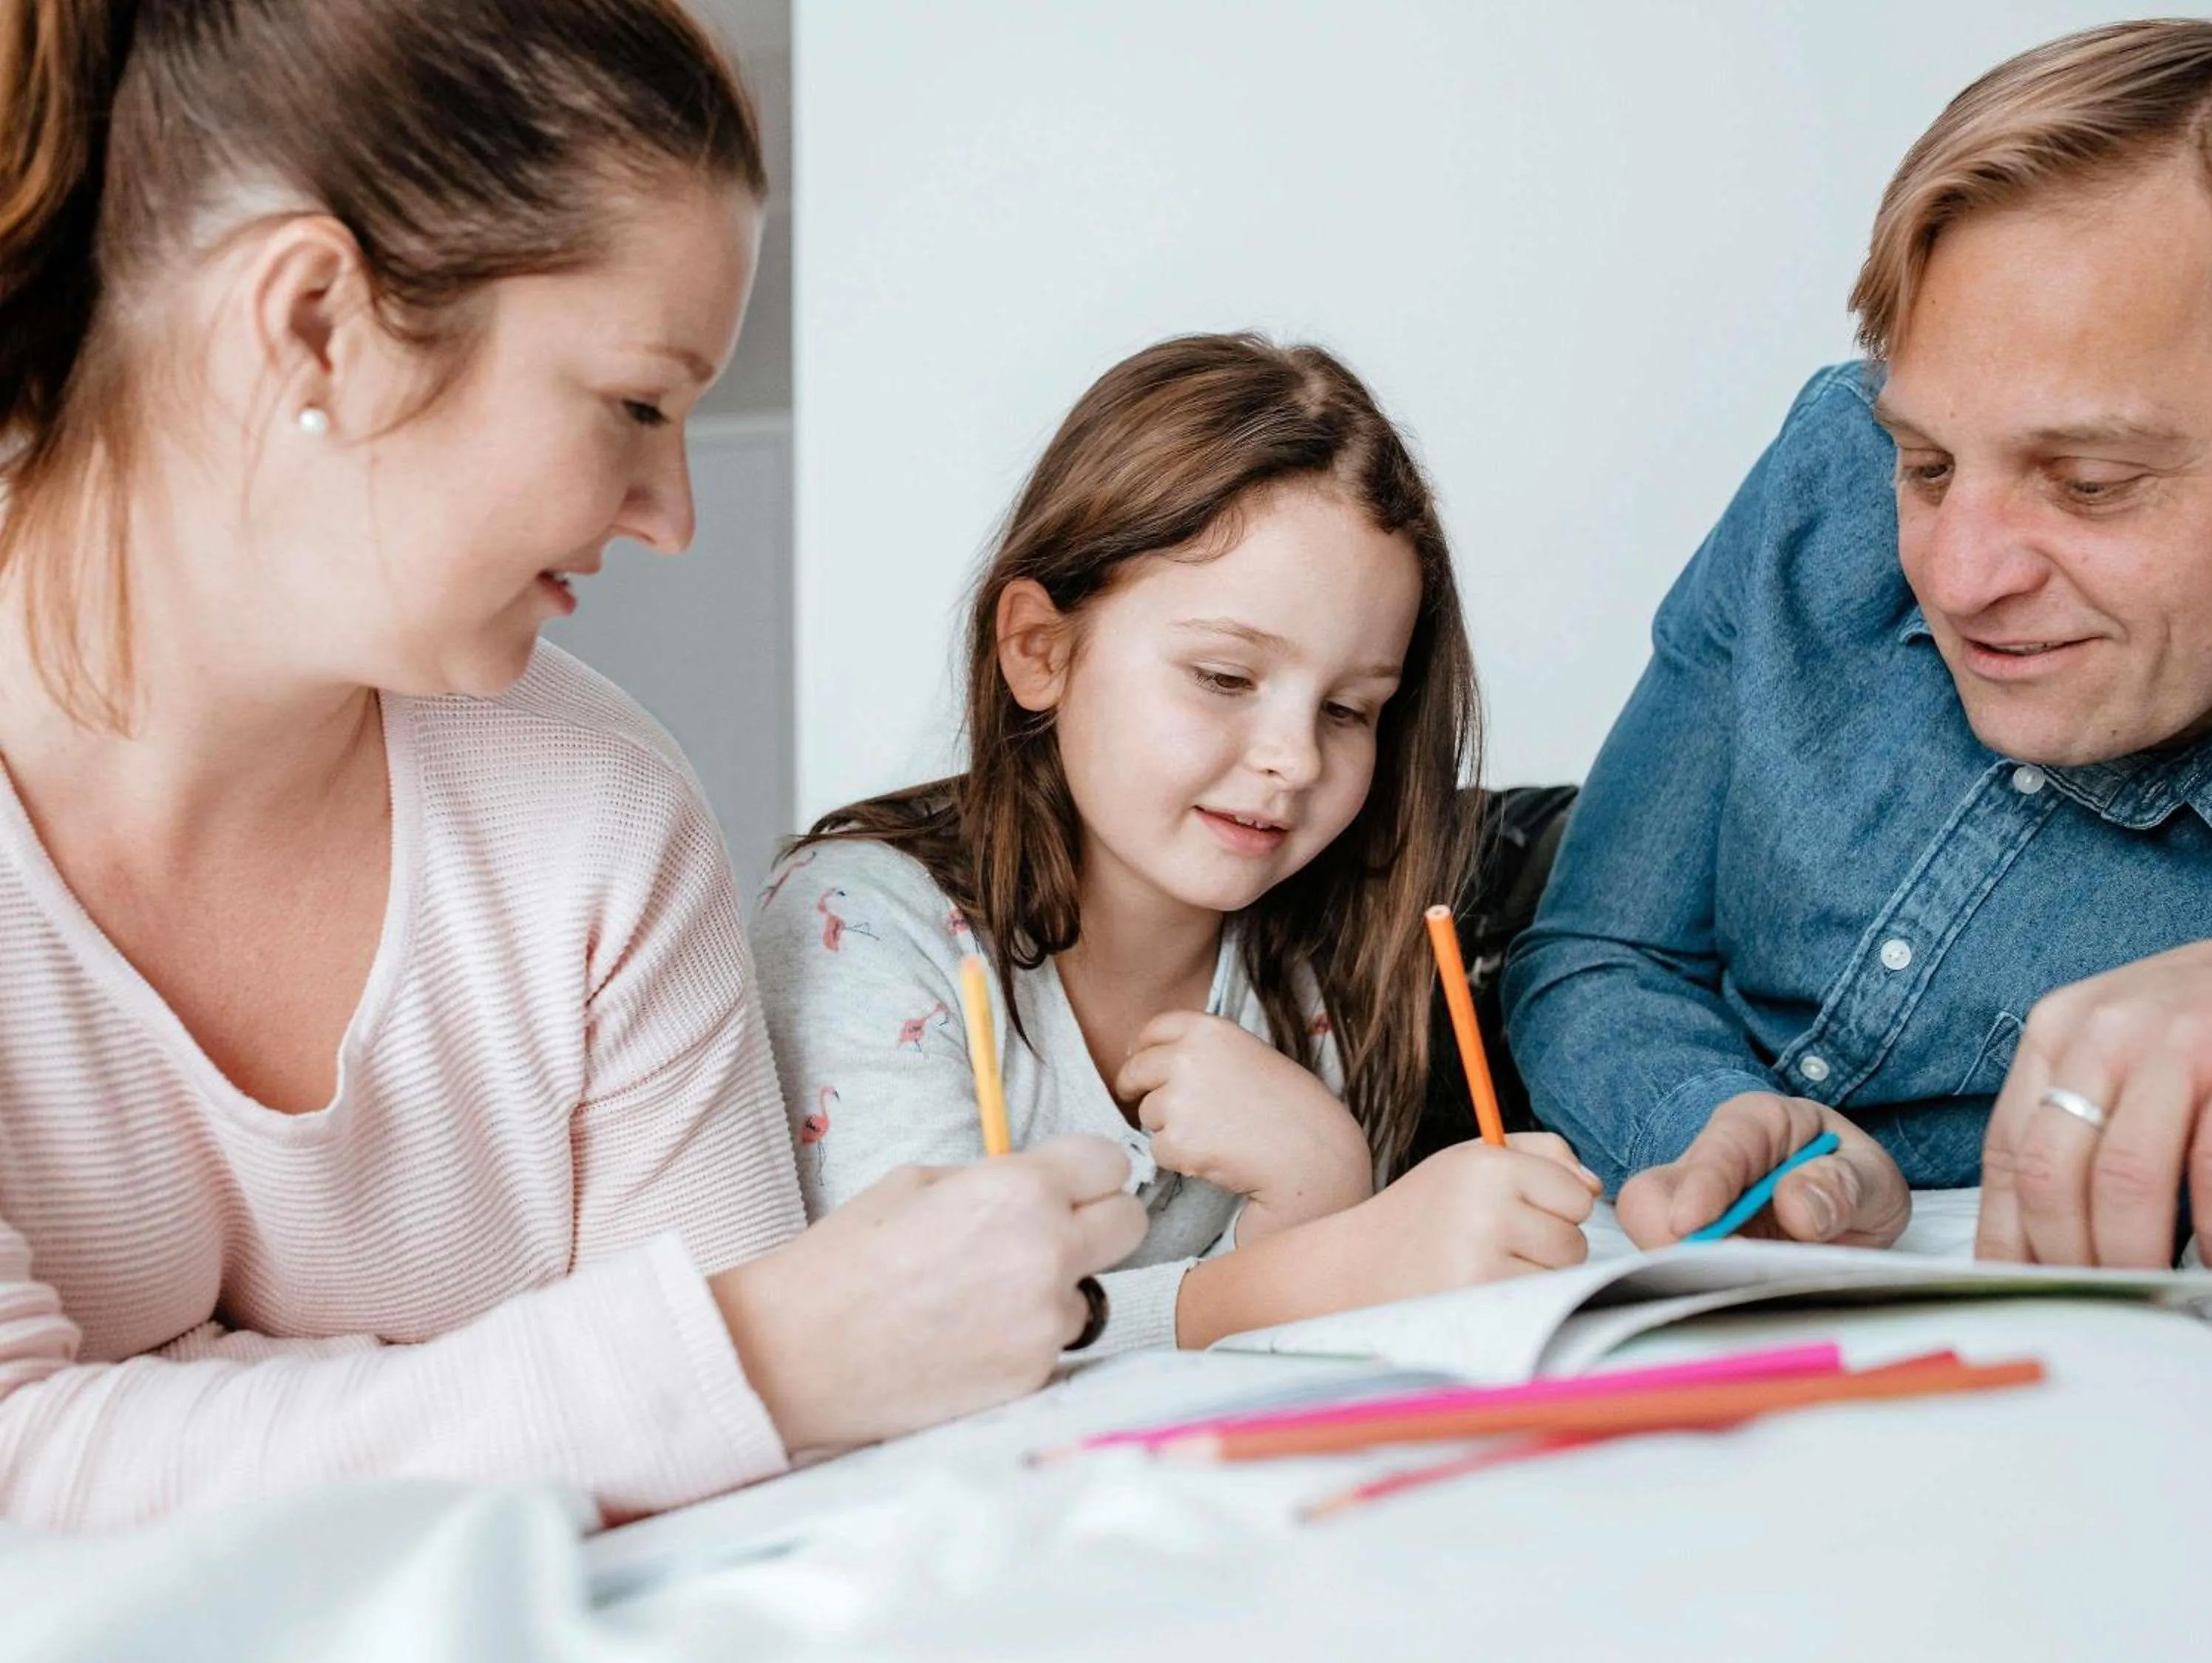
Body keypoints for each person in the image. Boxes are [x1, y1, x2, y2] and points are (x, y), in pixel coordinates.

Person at [0, 0, 1144, 1532]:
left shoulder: (600, 818)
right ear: (314, 322)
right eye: (633, 404)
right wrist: (743, 1357)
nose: (672, 514)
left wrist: (175, 1413)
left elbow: (741, 1515)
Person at [1502, 20, 2212, 1268]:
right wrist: (1719, 1125)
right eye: (1929, 463)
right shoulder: (1831, 469)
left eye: (2091, 482)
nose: (1955, 575)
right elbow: (1602, 947)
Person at [753, 334, 1601, 1353]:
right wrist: (1327, 1208)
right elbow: (909, 1347)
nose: (1292, 757)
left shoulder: (1324, 955)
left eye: (1348, 708)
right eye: (1224, 678)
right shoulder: (863, 928)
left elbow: (1306, 1359)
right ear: (1041, 648)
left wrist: (1316, 1191)